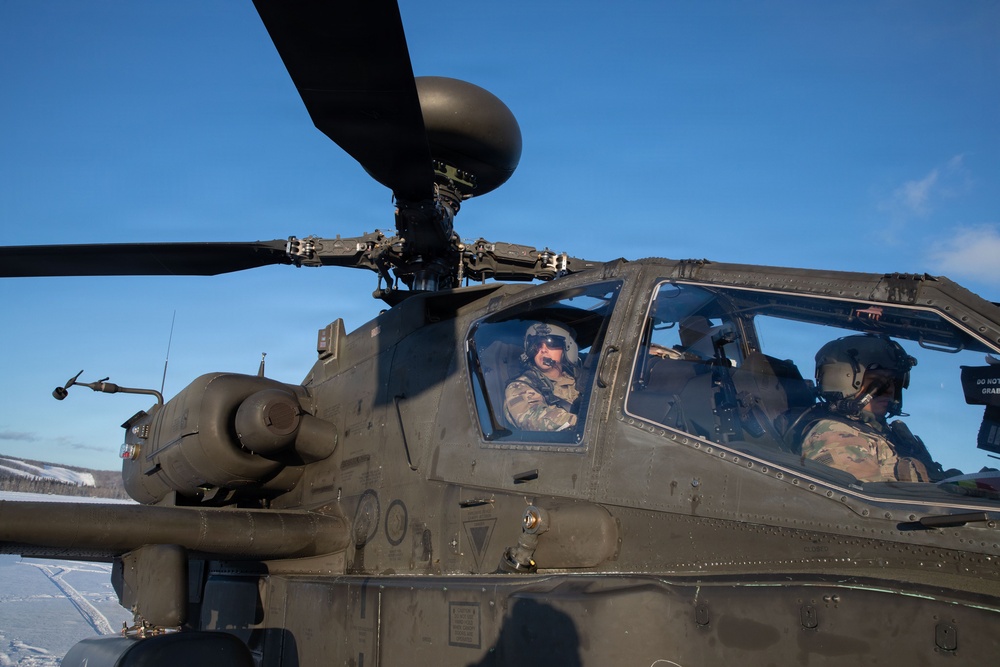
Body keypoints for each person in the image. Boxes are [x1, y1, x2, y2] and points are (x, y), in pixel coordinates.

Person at [801, 334, 940, 482]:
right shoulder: (835, 435)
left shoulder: (889, 435)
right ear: (843, 378)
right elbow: (857, 500)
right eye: (877, 382)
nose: (890, 390)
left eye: (893, 382)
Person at [504, 322, 581, 431]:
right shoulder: (519, 386)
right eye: (537, 344)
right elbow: (531, 418)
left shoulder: (579, 382)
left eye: (552, 343)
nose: (543, 349)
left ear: (566, 349)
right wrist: (581, 422)